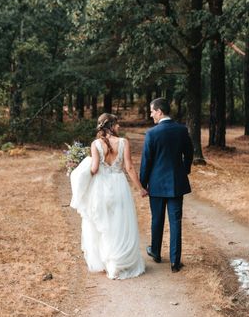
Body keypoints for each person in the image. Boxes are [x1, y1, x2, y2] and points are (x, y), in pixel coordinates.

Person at [69, 113, 146, 280]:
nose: (119, 127)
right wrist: (140, 188)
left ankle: (109, 263)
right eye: (116, 124)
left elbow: (94, 169)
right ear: (110, 126)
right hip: (119, 186)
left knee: (104, 225)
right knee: (119, 224)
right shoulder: (124, 142)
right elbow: (130, 168)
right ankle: (118, 263)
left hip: (100, 188)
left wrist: (81, 171)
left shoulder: (95, 144)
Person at [140, 98, 194, 273]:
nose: (150, 114)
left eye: (152, 111)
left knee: (157, 219)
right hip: (176, 184)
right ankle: (175, 262)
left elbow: (146, 161)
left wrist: (143, 183)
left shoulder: (152, 133)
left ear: (160, 112)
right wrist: (183, 170)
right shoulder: (181, 130)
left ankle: (155, 252)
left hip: (155, 184)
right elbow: (189, 153)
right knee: (175, 222)